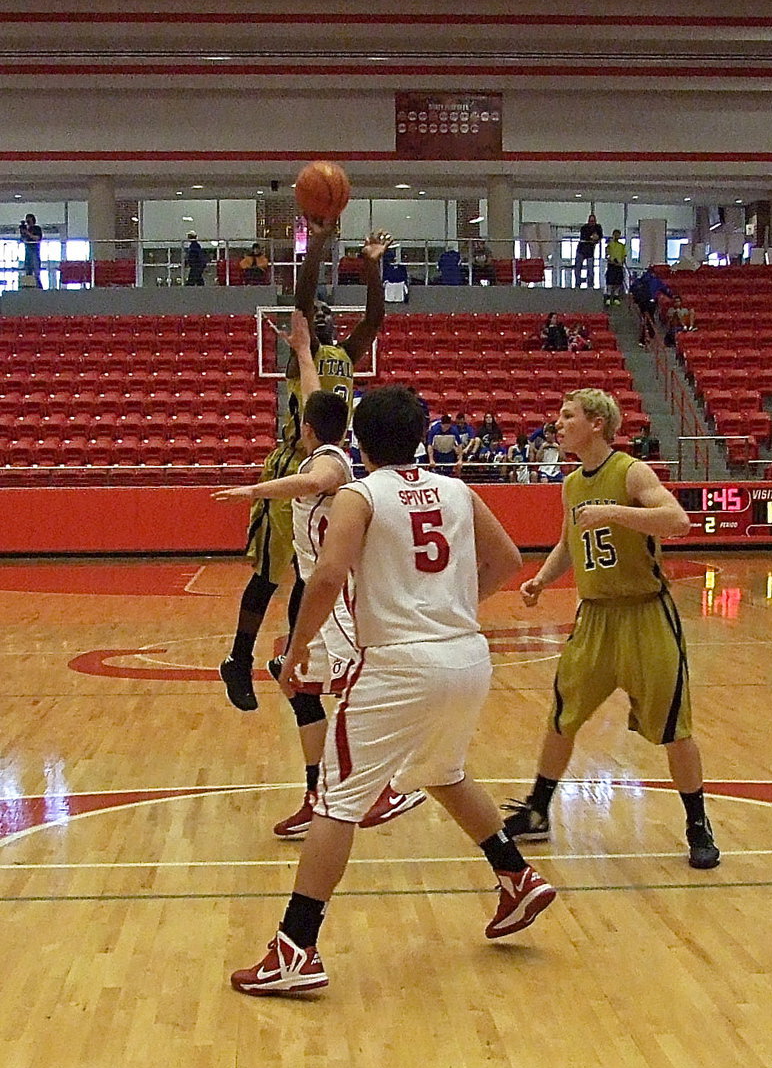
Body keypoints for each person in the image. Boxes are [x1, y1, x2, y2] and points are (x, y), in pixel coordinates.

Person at [230, 384, 557, 997]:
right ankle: (515, 875)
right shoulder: (459, 489)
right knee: (444, 771)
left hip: (401, 667)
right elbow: (511, 558)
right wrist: (455, 607)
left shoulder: (361, 494)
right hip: (466, 657)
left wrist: (297, 650)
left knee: (336, 801)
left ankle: (296, 948)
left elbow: (327, 575)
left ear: (360, 439)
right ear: (419, 434)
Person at [213, 313, 425, 836]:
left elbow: (325, 476)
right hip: (320, 598)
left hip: (342, 603)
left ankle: (383, 788)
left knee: (362, 690)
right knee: (295, 683)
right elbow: (315, 398)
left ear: (305, 429)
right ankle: (316, 793)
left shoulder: (329, 462)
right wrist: (305, 352)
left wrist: (257, 490)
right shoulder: (328, 439)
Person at [502, 389, 720, 871]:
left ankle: (698, 824)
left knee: (674, 729)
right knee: (563, 715)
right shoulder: (572, 483)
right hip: (596, 616)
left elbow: (678, 520)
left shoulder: (630, 471)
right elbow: (568, 540)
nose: (556, 424)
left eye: (567, 415)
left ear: (596, 423)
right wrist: (541, 578)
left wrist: (615, 511)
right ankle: (538, 811)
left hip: (646, 615)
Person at [218, 218, 393, 712]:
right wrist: (316, 243)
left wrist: (372, 266)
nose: (318, 319)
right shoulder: (303, 358)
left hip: (333, 468)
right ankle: (238, 658)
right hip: (292, 466)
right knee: (273, 572)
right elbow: (302, 297)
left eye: (324, 315)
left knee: (308, 572)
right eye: (310, 316)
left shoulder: (347, 352)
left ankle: (296, 654)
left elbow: (376, 318)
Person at [574, 212, 603, 288]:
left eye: (593, 221)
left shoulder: (598, 227)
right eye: (591, 221)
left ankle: (590, 284)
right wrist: (592, 238)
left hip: (590, 251)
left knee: (590, 268)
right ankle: (577, 283)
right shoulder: (584, 227)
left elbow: (599, 237)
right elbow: (585, 236)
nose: (592, 223)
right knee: (578, 267)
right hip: (581, 250)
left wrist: (595, 238)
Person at [603, 229, 627, 305]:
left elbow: (624, 256)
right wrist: (610, 260)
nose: (617, 236)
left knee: (618, 282)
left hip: (619, 265)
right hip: (611, 265)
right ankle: (608, 296)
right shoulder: (610, 244)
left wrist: (621, 262)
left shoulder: (622, 246)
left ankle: (616, 296)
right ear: (613, 235)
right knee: (610, 281)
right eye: (615, 234)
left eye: (618, 234)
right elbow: (607, 254)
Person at [20, 213, 42, 287]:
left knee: (36, 269)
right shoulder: (27, 228)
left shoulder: (37, 228)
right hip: (28, 249)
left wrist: (28, 233)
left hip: (34, 249)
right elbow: (23, 239)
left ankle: (38, 286)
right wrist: (23, 232)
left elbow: (37, 238)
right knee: (28, 269)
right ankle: (28, 286)